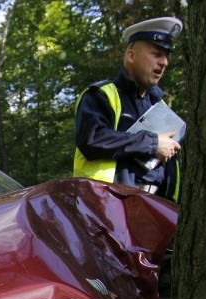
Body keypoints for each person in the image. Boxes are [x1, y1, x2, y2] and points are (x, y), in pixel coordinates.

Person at [73, 17, 184, 201]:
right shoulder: (101, 95)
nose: (164, 62)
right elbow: (91, 139)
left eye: (166, 56)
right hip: (107, 208)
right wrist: (153, 144)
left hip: (157, 211)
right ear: (131, 56)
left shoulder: (160, 106)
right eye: (156, 54)